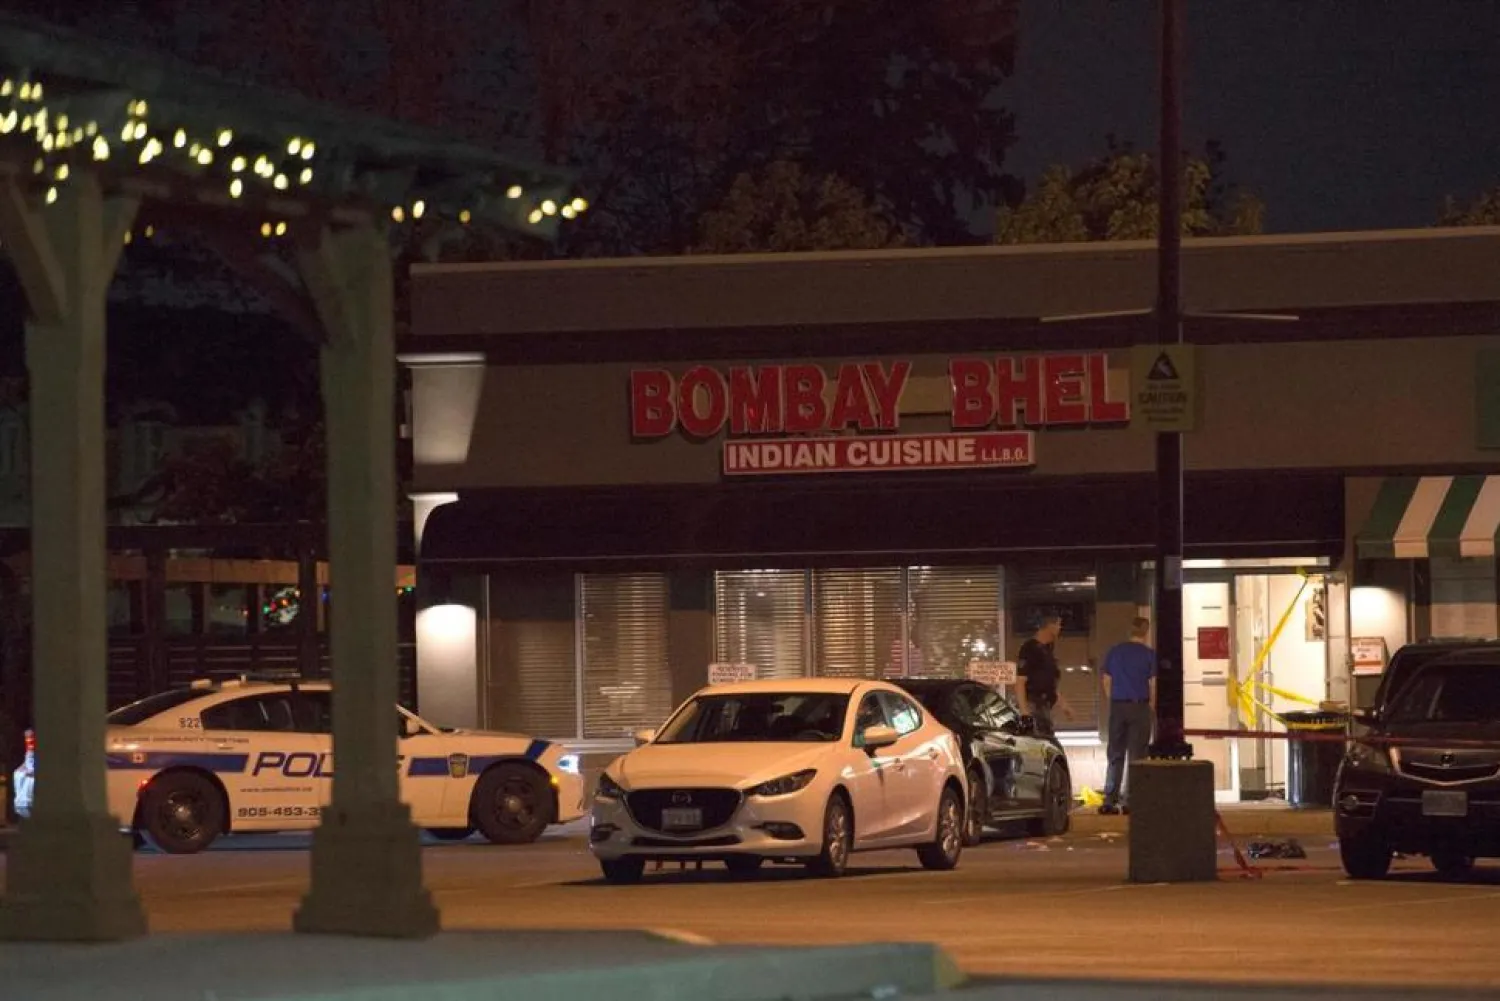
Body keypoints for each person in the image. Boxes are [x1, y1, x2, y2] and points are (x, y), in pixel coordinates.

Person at [1100, 616, 1157, 815]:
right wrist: (1152, 707)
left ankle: (1109, 798)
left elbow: (1106, 680)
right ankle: (1130, 800)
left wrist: (1114, 700)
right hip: (1139, 707)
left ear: (1130, 631)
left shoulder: (1115, 652)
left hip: (1118, 706)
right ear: (1146, 632)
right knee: (1137, 755)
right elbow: (1152, 684)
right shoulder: (1149, 655)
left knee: (1115, 753)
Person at [1016, 615, 1071, 734]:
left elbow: (1049, 683)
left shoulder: (1047, 650)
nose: (1060, 628)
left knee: (1047, 739)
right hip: (1033, 704)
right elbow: (1020, 681)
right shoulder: (1030, 648)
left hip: (1045, 705)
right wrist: (1025, 713)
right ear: (1050, 626)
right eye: (1058, 624)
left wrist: (1063, 704)